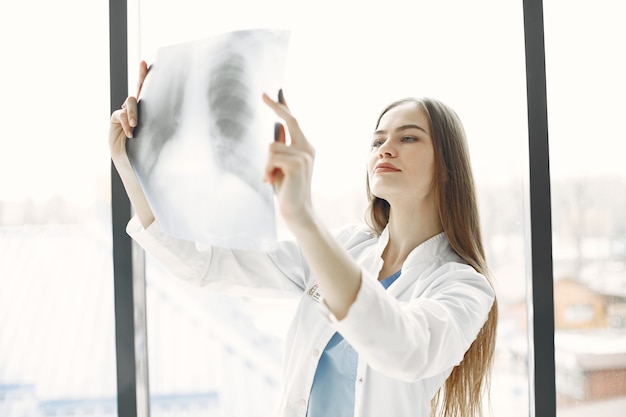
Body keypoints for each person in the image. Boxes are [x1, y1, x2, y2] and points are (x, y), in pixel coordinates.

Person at [109, 61, 498, 417]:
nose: (386, 149)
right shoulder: (346, 248)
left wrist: (303, 217)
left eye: (408, 138)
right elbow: (208, 263)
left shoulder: (464, 286)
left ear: (447, 167)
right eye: (377, 141)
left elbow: (405, 348)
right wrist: (132, 161)